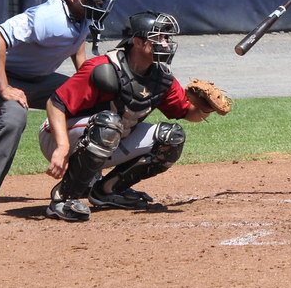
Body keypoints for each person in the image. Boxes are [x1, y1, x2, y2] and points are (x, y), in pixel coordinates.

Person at [0, 0, 115, 216]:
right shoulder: (48, 16)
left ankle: (84, 178)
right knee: (14, 115)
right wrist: (5, 87)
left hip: (38, 79)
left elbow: (75, 44)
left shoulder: (82, 15)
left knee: (92, 101)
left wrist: (83, 83)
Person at [38, 11, 215, 221]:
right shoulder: (103, 68)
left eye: (167, 38)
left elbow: (188, 113)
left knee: (172, 138)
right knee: (110, 125)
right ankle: (63, 198)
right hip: (59, 136)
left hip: (107, 137)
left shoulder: (161, 78)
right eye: (159, 37)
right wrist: (62, 147)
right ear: (138, 42)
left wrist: (205, 107)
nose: (166, 44)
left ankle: (107, 191)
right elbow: (55, 104)